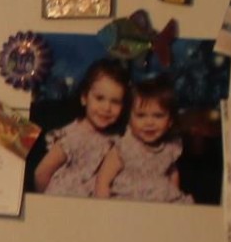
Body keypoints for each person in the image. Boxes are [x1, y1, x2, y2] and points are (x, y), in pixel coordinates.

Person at [33, 58, 133, 196]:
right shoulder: (73, 136)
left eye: (115, 102)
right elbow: (42, 172)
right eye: (99, 98)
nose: (106, 108)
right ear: (84, 98)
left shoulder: (116, 136)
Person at [100, 78, 188, 202]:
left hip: (162, 201)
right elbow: (103, 181)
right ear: (129, 119)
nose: (149, 123)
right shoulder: (125, 147)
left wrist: (174, 196)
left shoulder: (169, 147)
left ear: (170, 121)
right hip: (130, 201)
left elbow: (172, 173)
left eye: (158, 116)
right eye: (141, 115)